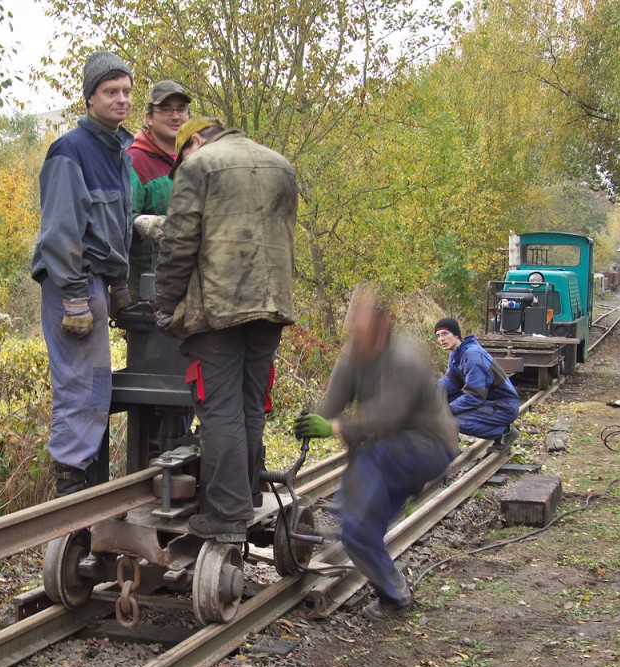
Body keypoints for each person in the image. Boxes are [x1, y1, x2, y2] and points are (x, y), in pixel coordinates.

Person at [154, 117, 298, 543]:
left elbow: (178, 244)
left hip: (217, 311)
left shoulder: (199, 166)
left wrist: (165, 305)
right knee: (250, 405)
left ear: (194, 141)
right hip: (271, 306)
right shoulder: (281, 165)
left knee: (219, 409)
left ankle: (227, 511)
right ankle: (247, 494)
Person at [293, 289, 459, 621]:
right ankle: (393, 596)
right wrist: (312, 419)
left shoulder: (404, 359)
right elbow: (333, 400)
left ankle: (346, 510)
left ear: (383, 325)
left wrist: (334, 428)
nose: (354, 327)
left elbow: (385, 417)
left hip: (427, 446)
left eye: (362, 321)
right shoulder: (354, 353)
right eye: (353, 321)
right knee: (357, 532)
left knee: (368, 457)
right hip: (388, 448)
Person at [30, 51, 135, 497]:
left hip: (94, 282)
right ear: (90, 97)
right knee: (80, 386)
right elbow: (61, 232)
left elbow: (116, 226)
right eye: (111, 91)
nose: (122, 100)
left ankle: (88, 492)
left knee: (96, 387)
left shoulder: (118, 152)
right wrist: (75, 296)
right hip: (70, 283)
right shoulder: (70, 151)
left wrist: (119, 284)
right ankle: (71, 495)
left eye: (127, 91)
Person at [126, 81, 191, 297]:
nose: (175, 116)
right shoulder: (135, 161)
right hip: (148, 291)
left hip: (191, 288)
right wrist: (141, 223)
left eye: (181, 109)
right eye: (166, 109)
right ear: (149, 118)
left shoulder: (197, 158)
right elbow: (120, 221)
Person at [435, 316, 520, 451]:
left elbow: (475, 395)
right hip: (487, 400)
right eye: (438, 336)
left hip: (503, 405)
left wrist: (447, 410)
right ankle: (448, 443)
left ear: (456, 334)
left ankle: (504, 432)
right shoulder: (456, 354)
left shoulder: (472, 355)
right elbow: (452, 381)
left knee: (450, 419)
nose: (441, 339)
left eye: (445, 334)